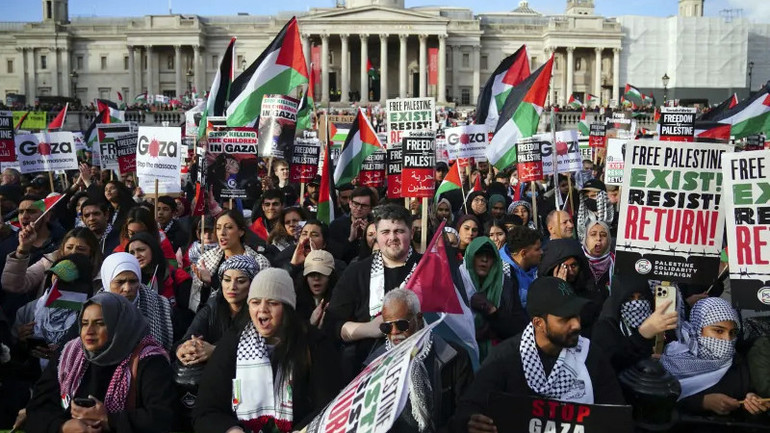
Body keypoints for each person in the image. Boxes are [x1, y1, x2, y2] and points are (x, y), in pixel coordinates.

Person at [450, 277, 625, 433]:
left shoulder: (591, 356)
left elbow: (615, 415)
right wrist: (471, 422)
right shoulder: (505, 358)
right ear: (539, 323)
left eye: (577, 316)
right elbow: (469, 407)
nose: (577, 325)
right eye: (565, 319)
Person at [193, 268, 343, 433]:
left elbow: (329, 406)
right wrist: (232, 430)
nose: (262, 310)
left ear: (287, 308)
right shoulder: (234, 343)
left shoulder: (313, 343)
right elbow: (206, 411)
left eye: (272, 303)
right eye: (256, 302)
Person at [24, 292, 175, 433]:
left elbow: (161, 418)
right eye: (84, 323)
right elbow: (37, 408)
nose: (89, 331)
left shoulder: (148, 360)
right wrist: (63, 426)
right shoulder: (69, 355)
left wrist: (108, 419)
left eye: (100, 323)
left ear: (119, 325)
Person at [324, 204, 422, 378]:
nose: (392, 237)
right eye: (385, 232)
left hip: (419, 363)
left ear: (411, 233)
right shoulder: (356, 272)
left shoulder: (427, 268)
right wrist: (369, 328)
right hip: (369, 371)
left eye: (399, 231)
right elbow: (332, 325)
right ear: (376, 235)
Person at [365, 289, 474, 433]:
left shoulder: (454, 356)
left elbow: (466, 411)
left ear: (419, 318)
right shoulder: (374, 367)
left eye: (401, 324)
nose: (394, 332)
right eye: (387, 327)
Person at [661, 297, 769, 417]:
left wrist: (751, 400)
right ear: (698, 329)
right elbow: (655, 403)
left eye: (732, 333)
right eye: (718, 331)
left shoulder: (738, 365)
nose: (727, 339)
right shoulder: (672, 359)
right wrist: (703, 402)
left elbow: (744, 399)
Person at [176, 255, 258, 367]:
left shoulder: (258, 312)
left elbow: (254, 347)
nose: (232, 287)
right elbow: (190, 336)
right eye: (227, 280)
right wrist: (184, 348)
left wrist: (216, 350)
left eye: (241, 281)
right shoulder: (212, 306)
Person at [460, 237, 528, 362]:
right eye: (479, 254)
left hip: (497, 360)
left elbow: (519, 328)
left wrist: (491, 310)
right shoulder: (458, 283)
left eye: (489, 256)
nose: (484, 260)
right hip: (463, 359)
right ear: (470, 257)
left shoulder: (505, 285)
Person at [592, 276, 678, 373]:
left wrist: (663, 358)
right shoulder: (606, 327)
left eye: (642, 297)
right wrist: (642, 335)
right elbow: (611, 362)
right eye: (630, 298)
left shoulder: (658, 322)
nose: (637, 303)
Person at [189, 210, 270, 312]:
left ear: (241, 231)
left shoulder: (258, 262)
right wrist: (207, 284)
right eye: (218, 228)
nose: (222, 233)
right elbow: (197, 303)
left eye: (229, 227)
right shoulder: (206, 259)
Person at [101, 252, 174, 352]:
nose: (127, 288)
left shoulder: (160, 305)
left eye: (133, 281)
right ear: (107, 282)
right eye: (120, 282)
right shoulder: (95, 308)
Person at [3, 227, 102, 299]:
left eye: (81, 249)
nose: (73, 252)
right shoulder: (48, 262)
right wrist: (23, 249)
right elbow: (13, 285)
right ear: (62, 249)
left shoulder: (102, 272)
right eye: (69, 247)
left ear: (91, 252)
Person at [538, 238, 605, 336]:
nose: (570, 271)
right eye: (564, 267)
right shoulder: (541, 294)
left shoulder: (592, 292)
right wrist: (559, 288)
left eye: (574, 266)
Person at [126, 232, 192, 308]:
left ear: (153, 249)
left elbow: (188, 314)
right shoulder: (129, 280)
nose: (136, 256)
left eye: (141, 250)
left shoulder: (179, 277)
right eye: (132, 253)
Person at [328, 186, 377, 263]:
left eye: (364, 206)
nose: (359, 208)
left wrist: (369, 236)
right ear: (350, 203)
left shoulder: (377, 225)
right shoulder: (336, 225)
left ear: (370, 208)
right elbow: (335, 256)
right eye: (356, 204)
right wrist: (350, 239)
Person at [499, 226, 542, 311]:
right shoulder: (504, 275)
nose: (541, 252)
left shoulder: (537, 268)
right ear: (524, 253)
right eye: (537, 249)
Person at [295, 249, 337, 328]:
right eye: (311, 274)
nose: (316, 278)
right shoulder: (296, 302)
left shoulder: (339, 302)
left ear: (331, 276)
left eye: (322, 273)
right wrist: (310, 324)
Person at [582, 220, 615, 292]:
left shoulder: (616, 263)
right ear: (586, 239)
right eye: (593, 234)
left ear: (609, 240)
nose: (599, 238)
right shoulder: (578, 261)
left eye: (603, 235)